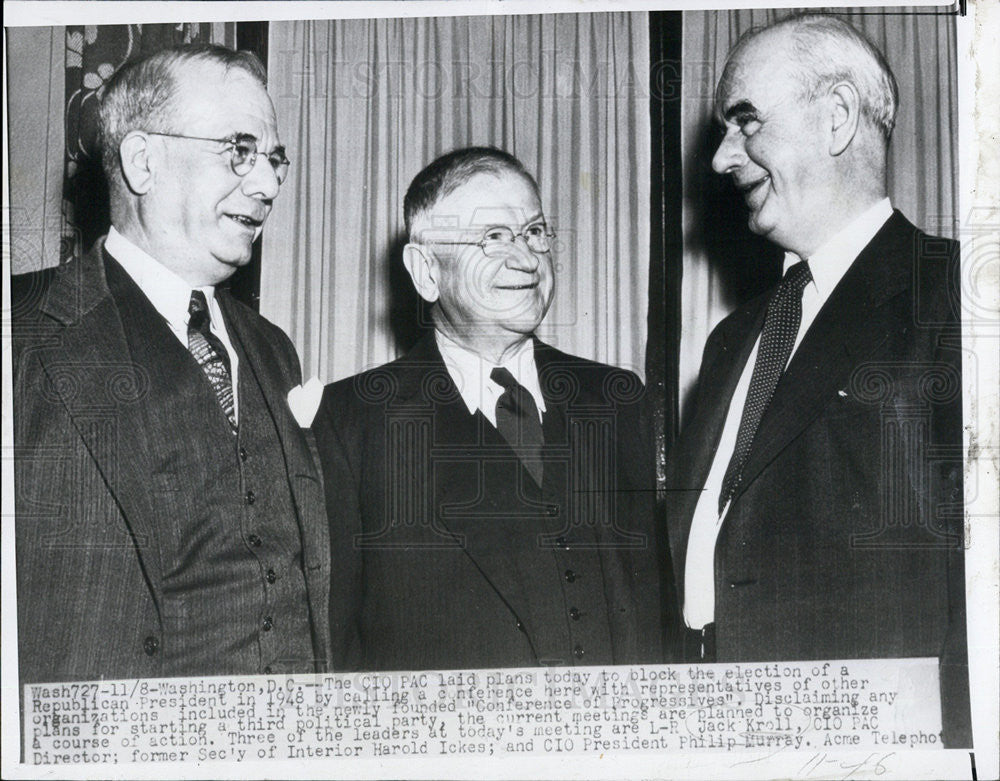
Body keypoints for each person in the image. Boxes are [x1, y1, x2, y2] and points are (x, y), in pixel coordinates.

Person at [665, 14, 969, 744]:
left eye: (746, 122)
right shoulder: (734, 339)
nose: (720, 159)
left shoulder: (955, 295)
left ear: (836, 117)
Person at [12, 44, 331, 684]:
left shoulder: (273, 348)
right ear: (142, 161)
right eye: (238, 150)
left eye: (273, 159)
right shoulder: (21, 328)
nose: (267, 185)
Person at [314, 147, 669, 671]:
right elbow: (336, 650)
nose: (526, 259)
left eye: (534, 233)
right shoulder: (349, 424)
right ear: (426, 269)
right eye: (493, 238)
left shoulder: (618, 399)